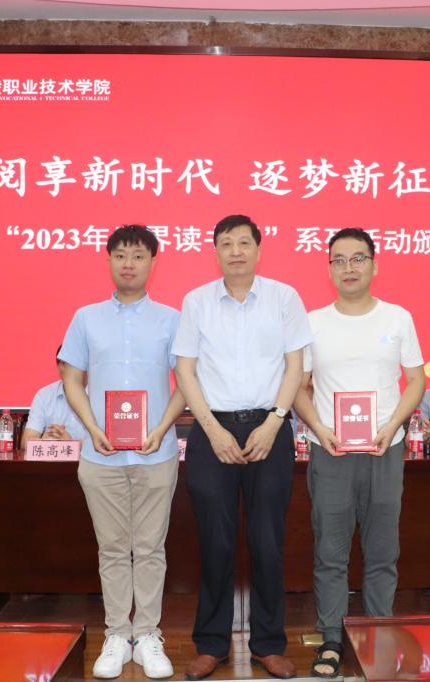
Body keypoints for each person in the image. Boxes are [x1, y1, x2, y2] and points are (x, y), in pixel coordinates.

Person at [173, 214, 312, 681]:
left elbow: (295, 367)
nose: (235, 251)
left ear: (258, 248)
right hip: (211, 430)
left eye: (244, 243)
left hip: (269, 428)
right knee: (215, 541)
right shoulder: (196, 302)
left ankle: (268, 644)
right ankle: (211, 644)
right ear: (215, 251)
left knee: (267, 541)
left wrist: (275, 421)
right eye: (226, 244)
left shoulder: (284, 298)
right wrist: (212, 430)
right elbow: (185, 371)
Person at [291, 228, 425, 678]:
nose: (349, 267)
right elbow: (298, 387)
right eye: (339, 260)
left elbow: (416, 381)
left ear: (374, 264)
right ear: (329, 268)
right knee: (330, 551)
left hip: (385, 448)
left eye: (358, 258)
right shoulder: (312, 322)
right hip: (330, 451)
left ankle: (379, 634)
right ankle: (331, 639)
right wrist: (320, 428)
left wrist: (393, 426)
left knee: (383, 549)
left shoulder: (397, 318)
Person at [59, 225, 185, 680]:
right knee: (112, 548)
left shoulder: (172, 319)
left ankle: (147, 634)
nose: (128, 263)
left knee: (150, 548)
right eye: (120, 255)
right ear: (109, 260)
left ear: (153, 262)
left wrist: (162, 428)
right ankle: (117, 634)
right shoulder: (86, 318)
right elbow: (71, 378)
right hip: (101, 456)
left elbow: (187, 384)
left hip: (156, 453)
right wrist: (92, 428)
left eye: (138, 255)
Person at [21, 345, 88, 449]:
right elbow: (25, 443)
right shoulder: (44, 396)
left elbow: (108, 444)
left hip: (87, 460)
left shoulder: (101, 397)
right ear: (60, 367)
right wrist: (43, 442)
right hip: (53, 459)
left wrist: (71, 444)